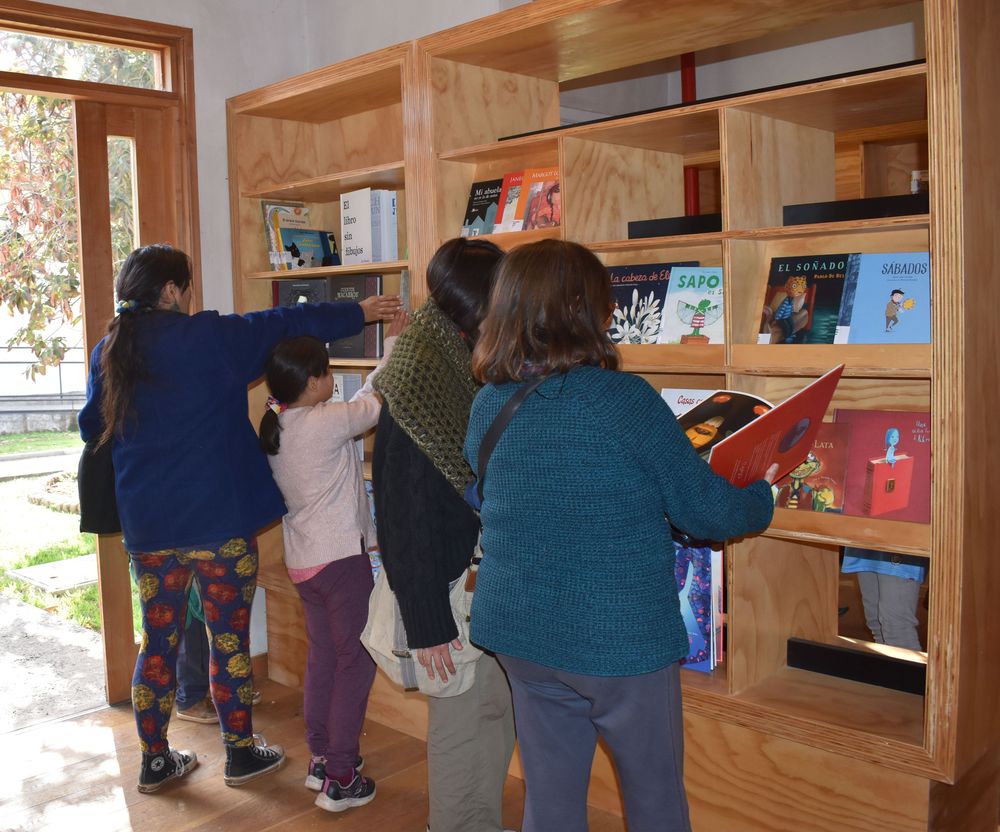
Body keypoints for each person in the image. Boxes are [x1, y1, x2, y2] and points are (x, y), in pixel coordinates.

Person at [464, 239, 777, 832]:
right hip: (618, 639)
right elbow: (707, 513)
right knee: (655, 800)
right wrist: (763, 495)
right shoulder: (624, 400)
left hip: (520, 631)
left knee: (550, 800)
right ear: (587, 311)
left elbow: (498, 487)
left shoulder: (488, 404)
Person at [77, 243, 400, 794]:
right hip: (219, 526)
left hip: (150, 531)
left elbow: (91, 429)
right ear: (174, 290)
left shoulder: (110, 350)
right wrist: (358, 312)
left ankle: (155, 761)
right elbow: (284, 322)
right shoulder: (208, 339)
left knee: (158, 643)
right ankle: (240, 756)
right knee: (228, 641)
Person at [371, 237, 515, 832]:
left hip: (475, 585)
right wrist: (428, 625)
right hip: (445, 595)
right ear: (482, 304)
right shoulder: (418, 378)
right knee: (461, 726)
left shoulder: (454, 356)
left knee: (493, 715)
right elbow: (400, 517)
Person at [260, 308, 407, 814]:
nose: (332, 379)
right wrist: (394, 346)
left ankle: (321, 757)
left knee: (324, 658)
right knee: (355, 661)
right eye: (326, 373)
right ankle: (342, 776)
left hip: (304, 562)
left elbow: (361, 399)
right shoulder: (324, 424)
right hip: (339, 560)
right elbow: (375, 403)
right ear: (312, 382)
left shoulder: (282, 425)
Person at [841, 547, 926, 651]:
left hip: (900, 545)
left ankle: (906, 666)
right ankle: (887, 665)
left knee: (897, 630)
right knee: (875, 623)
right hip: (866, 544)